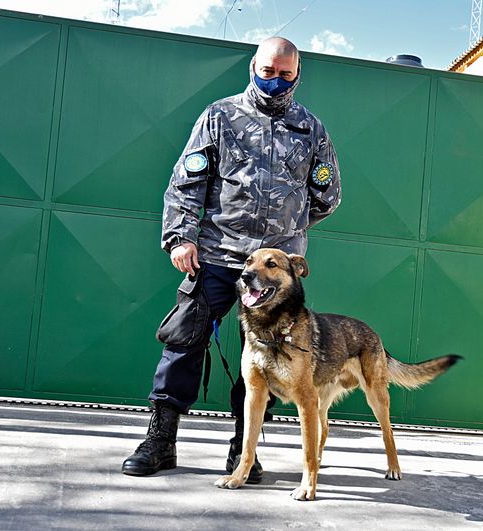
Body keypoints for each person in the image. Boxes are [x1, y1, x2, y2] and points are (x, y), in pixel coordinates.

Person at [122, 37, 341, 482]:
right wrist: (182, 236)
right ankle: (160, 441)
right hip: (220, 257)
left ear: (297, 75)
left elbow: (327, 196)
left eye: (285, 74)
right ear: (253, 66)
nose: (274, 81)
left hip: (278, 274)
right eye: (267, 71)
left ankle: (244, 454)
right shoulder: (220, 117)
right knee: (184, 341)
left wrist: (287, 234)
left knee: (270, 359)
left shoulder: (311, 129)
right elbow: (186, 183)